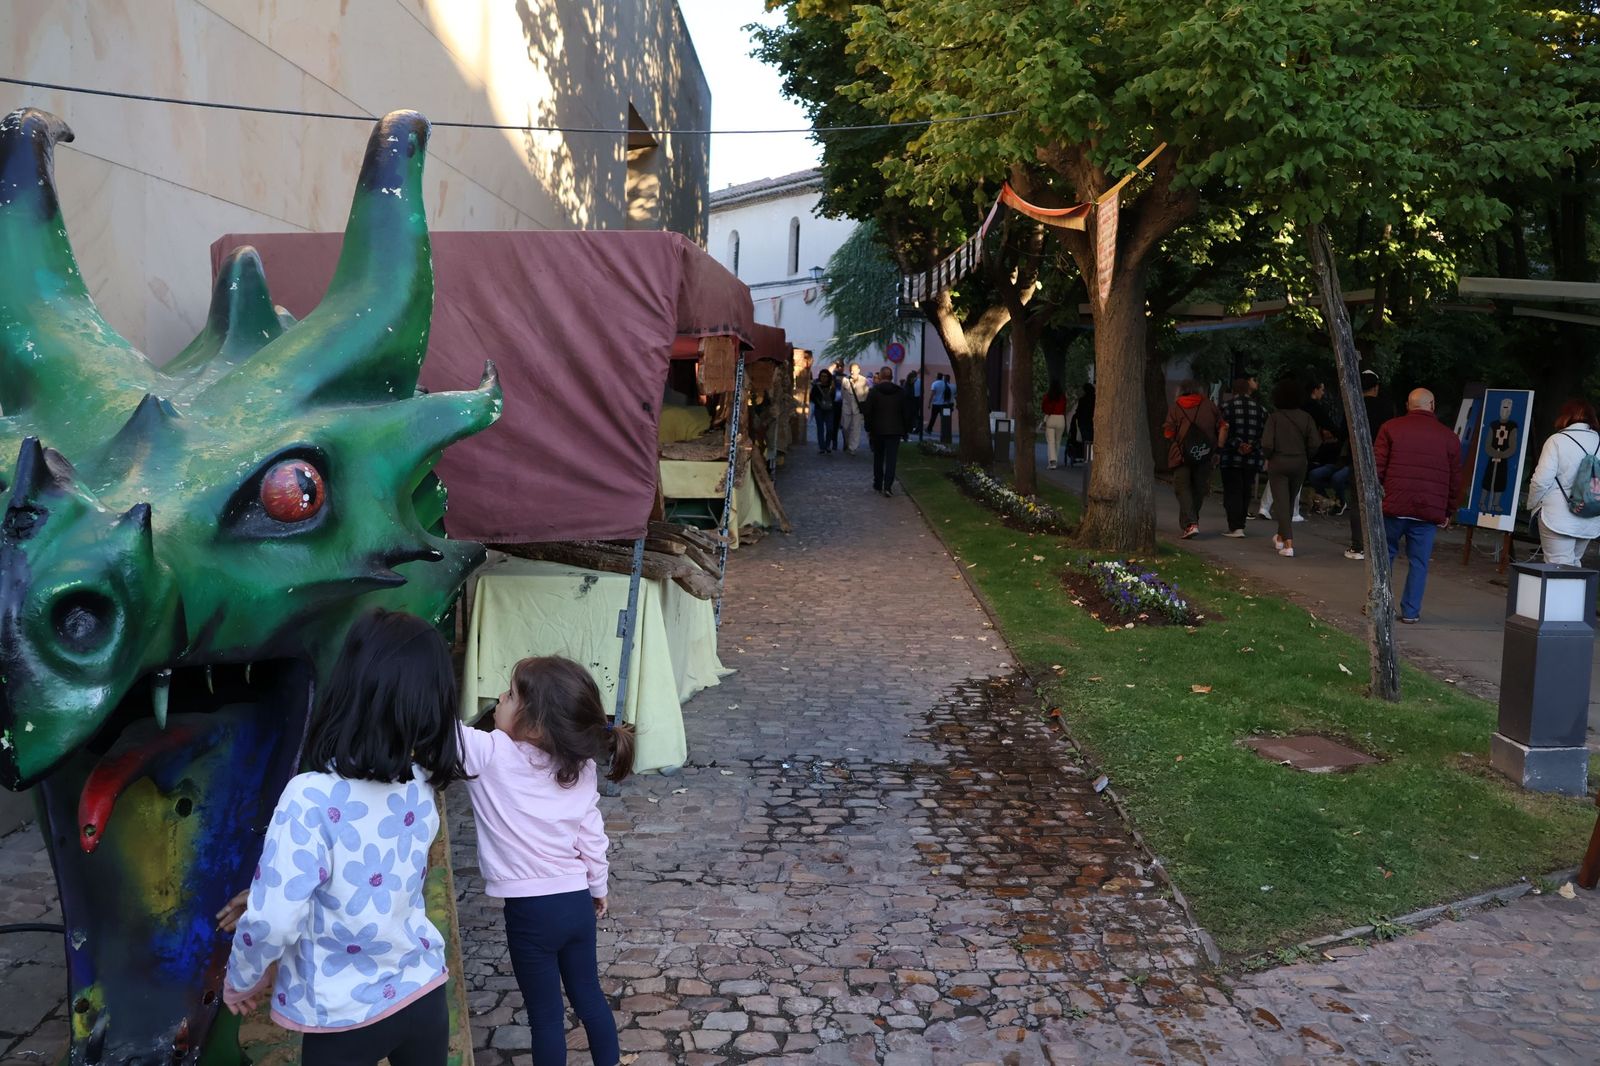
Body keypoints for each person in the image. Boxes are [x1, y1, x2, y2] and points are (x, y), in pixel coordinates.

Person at [219, 610, 469, 1066]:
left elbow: (275, 919)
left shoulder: (309, 796)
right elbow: (374, 883)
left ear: (350, 687)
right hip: (422, 992)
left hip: (344, 1017)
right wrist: (256, 895)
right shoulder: (421, 785)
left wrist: (242, 975)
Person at [453, 657, 633, 1066]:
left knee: (546, 1018)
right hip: (576, 902)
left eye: (511, 693)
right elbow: (592, 836)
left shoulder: (490, 752)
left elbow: (435, 730)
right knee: (589, 997)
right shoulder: (581, 767)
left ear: (534, 724)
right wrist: (599, 889)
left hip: (531, 913)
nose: (500, 698)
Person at [1374, 388, 1463, 623]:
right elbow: (1455, 479)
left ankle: (1380, 605)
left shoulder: (1390, 428)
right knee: (1419, 563)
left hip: (1394, 505)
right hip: (1428, 510)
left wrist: (1378, 496)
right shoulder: (1448, 437)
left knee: (1385, 556)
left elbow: (1377, 467)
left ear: (1408, 404)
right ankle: (1411, 611)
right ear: (1432, 405)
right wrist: (1448, 510)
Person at [1526, 399, 1600, 566]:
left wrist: (1531, 503)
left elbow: (1541, 480)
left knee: (1557, 567)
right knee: (1574, 564)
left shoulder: (1557, 440)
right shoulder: (1598, 441)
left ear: (1566, 416)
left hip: (1557, 516)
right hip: (1590, 515)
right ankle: (1576, 593)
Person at [1260, 379, 1322, 558]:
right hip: (1299, 462)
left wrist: (1269, 456)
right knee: (1289, 500)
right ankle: (1280, 537)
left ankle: (1288, 543)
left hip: (1278, 461)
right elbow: (1315, 442)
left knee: (1281, 502)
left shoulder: (1275, 418)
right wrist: (1305, 455)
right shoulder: (1306, 418)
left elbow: (1266, 443)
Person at [1162, 380, 1227, 538]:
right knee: (1198, 489)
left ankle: (1190, 524)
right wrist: (1218, 448)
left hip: (1181, 455)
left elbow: (1168, 431)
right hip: (1205, 454)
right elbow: (1224, 427)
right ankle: (1191, 523)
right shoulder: (1210, 406)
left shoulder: (1176, 407)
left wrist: (1175, 439)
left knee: (1182, 488)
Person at [1342, 368, 1393, 560]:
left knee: (1357, 501)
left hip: (1357, 457)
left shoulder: (1353, 405)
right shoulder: (1387, 408)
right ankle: (1379, 543)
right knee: (1379, 500)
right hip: (1381, 457)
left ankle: (1358, 545)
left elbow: (1342, 430)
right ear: (1376, 387)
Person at [1218, 374, 1266, 537]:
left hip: (1232, 457)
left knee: (1232, 491)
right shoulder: (1260, 409)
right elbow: (1264, 434)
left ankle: (1235, 526)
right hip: (1252, 458)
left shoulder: (1226, 407)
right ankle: (1241, 524)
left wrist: (1237, 444)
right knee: (1246, 490)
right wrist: (1252, 446)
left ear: (1234, 391)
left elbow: (1224, 430)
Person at [859, 367, 906, 496]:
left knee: (878, 457)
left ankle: (878, 482)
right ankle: (888, 486)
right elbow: (905, 412)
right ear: (891, 377)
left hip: (878, 429)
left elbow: (868, 411)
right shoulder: (900, 392)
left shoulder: (874, 392)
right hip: (895, 429)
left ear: (880, 377)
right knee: (891, 458)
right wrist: (905, 429)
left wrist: (868, 427)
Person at [840, 363, 869, 453]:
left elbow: (866, 394)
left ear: (859, 370)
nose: (852, 371)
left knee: (856, 428)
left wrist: (863, 405)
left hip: (858, 407)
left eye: (854, 369)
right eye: (851, 369)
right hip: (847, 407)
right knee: (845, 427)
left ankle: (853, 447)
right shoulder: (845, 380)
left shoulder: (864, 380)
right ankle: (847, 441)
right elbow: (842, 393)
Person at [1041, 382, 1069, 469]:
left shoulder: (1047, 396)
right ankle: (1054, 461)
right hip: (1060, 419)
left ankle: (1052, 461)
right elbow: (1064, 407)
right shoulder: (1062, 397)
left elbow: (1043, 408)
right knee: (1058, 441)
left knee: (1051, 441)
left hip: (1051, 418)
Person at [809, 368, 837, 454]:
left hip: (829, 410)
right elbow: (812, 397)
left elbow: (834, 397)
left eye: (825, 376)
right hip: (819, 410)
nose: (823, 378)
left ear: (828, 377)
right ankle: (822, 447)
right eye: (822, 376)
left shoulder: (832, 387)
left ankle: (827, 445)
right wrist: (819, 402)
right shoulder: (816, 387)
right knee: (820, 429)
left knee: (830, 428)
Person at [1068, 383, 1095, 465]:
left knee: (1085, 439)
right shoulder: (1094, 399)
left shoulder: (1082, 400)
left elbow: (1079, 411)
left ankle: (1087, 457)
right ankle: (1091, 456)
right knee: (1091, 438)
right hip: (1091, 421)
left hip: (1083, 422)